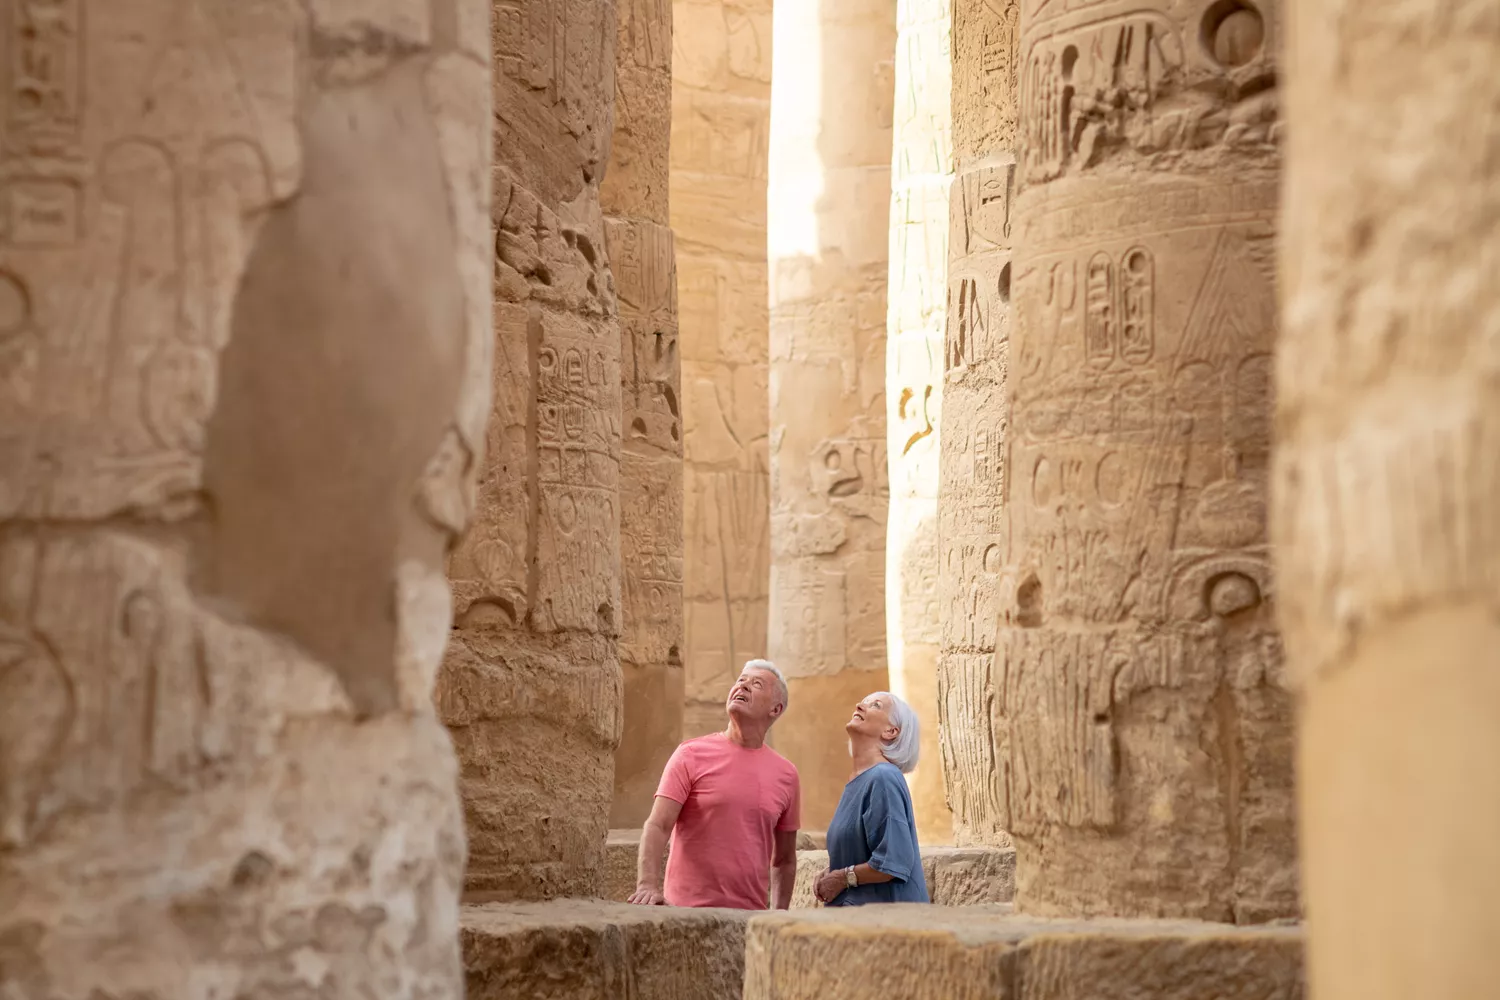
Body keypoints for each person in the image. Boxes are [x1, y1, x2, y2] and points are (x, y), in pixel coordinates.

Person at [629, 659, 801, 909]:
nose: (742, 687)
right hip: (685, 914)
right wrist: (646, 885)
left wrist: (779, 916)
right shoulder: (690, 754)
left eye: (756, 684)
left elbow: (784, 860)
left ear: (775, 709)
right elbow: (658, 824)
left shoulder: (787, 775)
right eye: (740, 681)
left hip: (749, 920)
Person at [812, 691, 930, 906]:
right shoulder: (859, 781)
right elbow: (864, 853)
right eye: (863, 702)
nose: (859, 705)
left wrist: (841, 878)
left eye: (875, 705)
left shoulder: (883, 778)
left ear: (891, 731)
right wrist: (831, 872)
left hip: (886, 928)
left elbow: (892, 861)